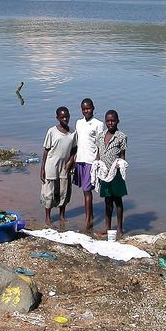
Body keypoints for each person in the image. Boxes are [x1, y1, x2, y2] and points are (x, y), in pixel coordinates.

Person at [40, 106, 77, 229]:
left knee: (64, 191)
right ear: (57, 118)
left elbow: (74, 149)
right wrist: (42, 169)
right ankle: (47, 217)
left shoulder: (73, 132)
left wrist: (71, 161)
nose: (65, 118)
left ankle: (62, 215)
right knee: (49, 191)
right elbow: (46, 150)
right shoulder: (52, 131)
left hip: (65, 166)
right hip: (51, 165)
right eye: (62, 117)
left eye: (66, 116)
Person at [95, 110, 128, 239]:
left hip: (116, 173)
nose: (110, 123)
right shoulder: (100, 136)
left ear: (117, 121)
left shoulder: (121, 137)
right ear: (105, 121)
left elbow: (122, 155)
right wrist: (96, 166)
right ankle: (107, 227)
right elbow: (99, 153)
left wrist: (121, 169)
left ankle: (119, 228)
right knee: (107, 200)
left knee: (118, 201)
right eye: (108, 121)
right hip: (104, 173)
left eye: (113, 120)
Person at [73, 98, 105, 233]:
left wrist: (98, 162)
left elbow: (100, 144)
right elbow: (77, 142)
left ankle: (88, 221)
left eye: (88, 108)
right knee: (84, 190)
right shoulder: (79, 123)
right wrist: (72, 160)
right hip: (79, 159)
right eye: (84, 109)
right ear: (81, 110)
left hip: (91, 161)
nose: (86, 111)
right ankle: (90, 216)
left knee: (87, 190)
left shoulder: (98, 124)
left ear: (93, 108)